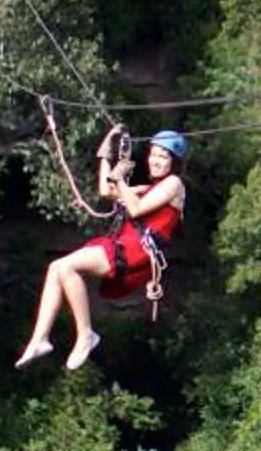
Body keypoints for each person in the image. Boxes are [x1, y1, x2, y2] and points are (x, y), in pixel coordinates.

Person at [18, 126, 189, 371]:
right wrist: (105, 159)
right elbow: (105, 190)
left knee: (67, 267)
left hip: (135, 250)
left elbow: (136, 210)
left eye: (163, 156)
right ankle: (39, 339)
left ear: (174, 162)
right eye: (153, 154)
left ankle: (86, 334)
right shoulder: (147, 189)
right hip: (124, 244)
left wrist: (120, 179)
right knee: (57, 267)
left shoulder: (174, 184)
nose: (155, 160)